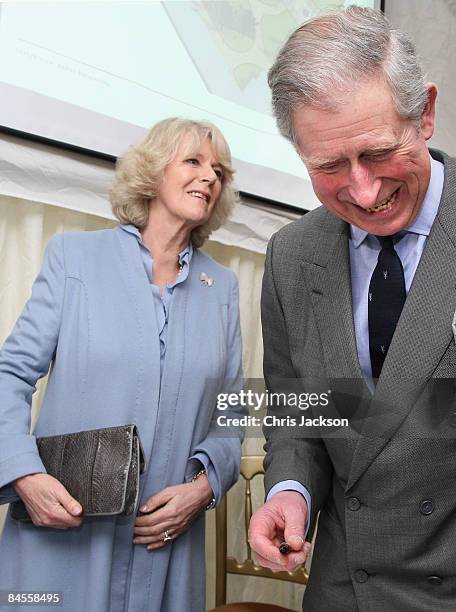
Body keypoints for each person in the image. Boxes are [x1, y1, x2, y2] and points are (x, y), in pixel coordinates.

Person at [248, 7, 456, 611]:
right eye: (329, 166)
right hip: (346, 588)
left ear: (426, 114)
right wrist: (290, 490)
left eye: (378, 153)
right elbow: (300, 413)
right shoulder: (292, 255)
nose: (363, 193)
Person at [0, 117, 244, 612]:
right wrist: (24, 474)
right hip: (65, 535)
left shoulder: (221, 288)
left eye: (218, 170)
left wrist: (203, 489)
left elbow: (232, 414)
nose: (209, 177)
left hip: (165, 547)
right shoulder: (75, 258)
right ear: (153, 172)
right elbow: (10, 374)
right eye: (194, 161)